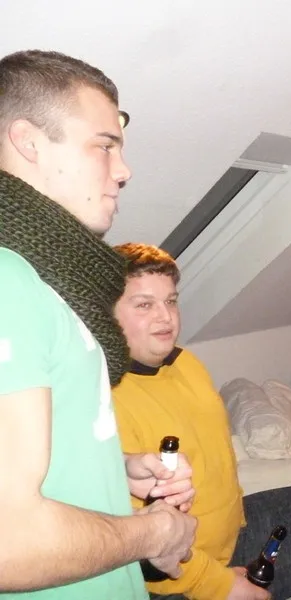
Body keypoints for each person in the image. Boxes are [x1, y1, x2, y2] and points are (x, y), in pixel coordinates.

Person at [0, 50, 196, 599]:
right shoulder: (8, 281)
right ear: (29, 141)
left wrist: (112, 472)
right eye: (105, 146)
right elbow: (8, 542)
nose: (124, 170)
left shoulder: (52, 284)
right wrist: (155, 532)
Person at [112, 243, 291, 600]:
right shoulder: (108, 399)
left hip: (230, 535)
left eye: (171, 301)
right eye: (144, 305)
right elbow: (135, 535)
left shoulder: (186, 363)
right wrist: (218, 585)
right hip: (177, 577)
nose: (165, 317)